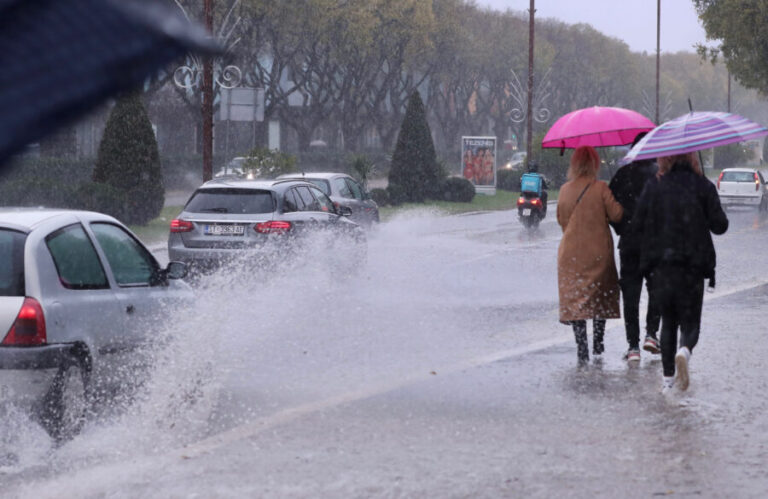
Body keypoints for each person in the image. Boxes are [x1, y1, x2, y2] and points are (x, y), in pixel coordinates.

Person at [633, 151, 728, 392]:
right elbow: (720, 226)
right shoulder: (702, 186)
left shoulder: (654, 187)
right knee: (690, 322)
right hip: (693, 266)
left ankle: (667, 382)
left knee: (668, 322)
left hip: (662, 267)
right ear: (693, 158)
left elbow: (639, 223)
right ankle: (685, 351)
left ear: (664, 159)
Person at [557, 146, 624, 365]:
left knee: (578, 298)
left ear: (574, 165)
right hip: (598, 252)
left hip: (571, 253)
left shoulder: (565, 190)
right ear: (595, 164)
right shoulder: (601, 188)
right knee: (599, 294)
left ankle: (581, 345)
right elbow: (617, 214)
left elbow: (561, 219)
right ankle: (598, 339)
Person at [608, 132, 661, 364]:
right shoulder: (660, 176)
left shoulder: (622, 175)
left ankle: (633, 347)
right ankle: (651, 333)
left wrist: (622, 227)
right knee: (656, 289)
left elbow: (609, 208)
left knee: (631, 295)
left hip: (629, 243)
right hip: (656, 243)